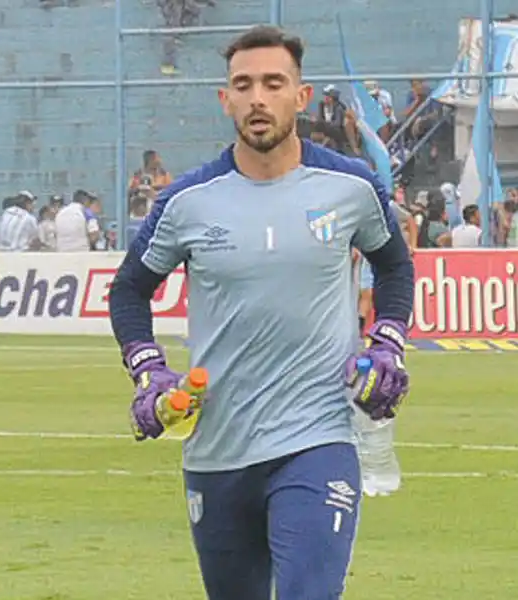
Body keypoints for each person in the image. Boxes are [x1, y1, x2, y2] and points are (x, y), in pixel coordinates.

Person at [107, 25, 413, 600]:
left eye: (274, 83)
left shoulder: (350, 187)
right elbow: (128, 291)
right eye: (243, 85)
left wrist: (387, 342)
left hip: (318, 438)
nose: (257, 98)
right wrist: (149, 370)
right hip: (218, 451)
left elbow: (394, 265)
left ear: (301, 95)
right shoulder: (186, 202)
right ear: (225, 100)